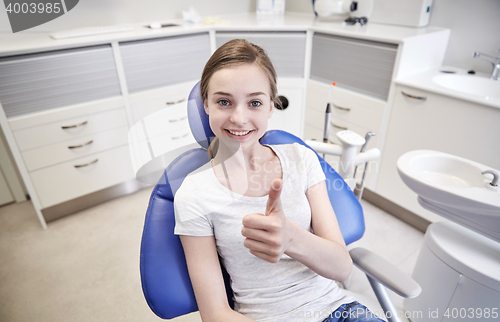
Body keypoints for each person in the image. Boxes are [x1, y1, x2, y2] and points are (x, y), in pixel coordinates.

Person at [174, 39, 384, 322]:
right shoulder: (194, 194)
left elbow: (342, 269)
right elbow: (215, 314)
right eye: (224, 101)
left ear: (270, 106)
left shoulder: (302, 159)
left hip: (340, 312)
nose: (239, 117)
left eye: (255, 102)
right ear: (206, 105)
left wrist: (293, 238)